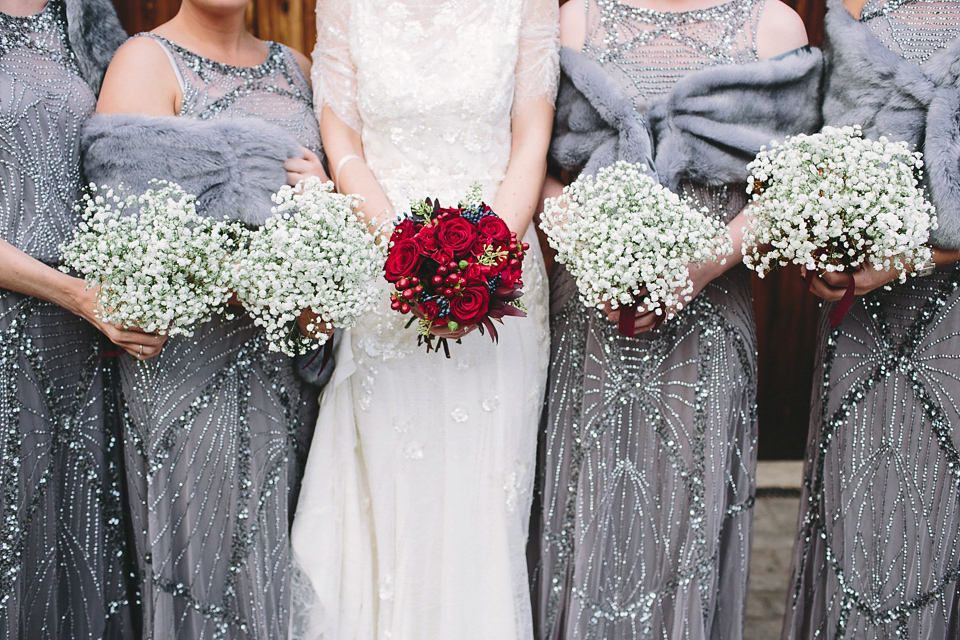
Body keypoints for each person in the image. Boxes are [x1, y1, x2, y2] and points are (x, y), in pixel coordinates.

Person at [530, 0, 820, 637]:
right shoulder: (574, 19)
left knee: (685, 519)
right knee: (583, 512)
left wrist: (703, 264)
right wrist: (587, 241)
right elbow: (536, 170)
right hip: (588, 312)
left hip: (710, 313)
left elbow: (795, 187)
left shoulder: (775, 24)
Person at [289, 1, 558, 638]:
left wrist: (480, 268)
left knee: (482, 503)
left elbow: (531, 142)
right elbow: (344, 143)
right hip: (384, 277)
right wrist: (412, 260)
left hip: (502, 280)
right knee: (392, 496)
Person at [88, 1, 328, 636]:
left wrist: (320, 216)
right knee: (209, 572)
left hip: (288, 368)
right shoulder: (144, 60)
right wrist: (272, 257)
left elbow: (326, 214)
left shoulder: (296, 67)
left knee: (290, 567)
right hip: (191, 374)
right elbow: (129, 244)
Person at [783, 0, 960, 637]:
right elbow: (829, 150)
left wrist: (912, 252)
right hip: (867, 319)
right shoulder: (854, 6)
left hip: (950, 312)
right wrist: (819, 239)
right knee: (863, 520)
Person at [0, 0, 162, 636]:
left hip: (88, 341)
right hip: (19, 328)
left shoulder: (89, 16)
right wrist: (77, 294)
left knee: (83, 548)